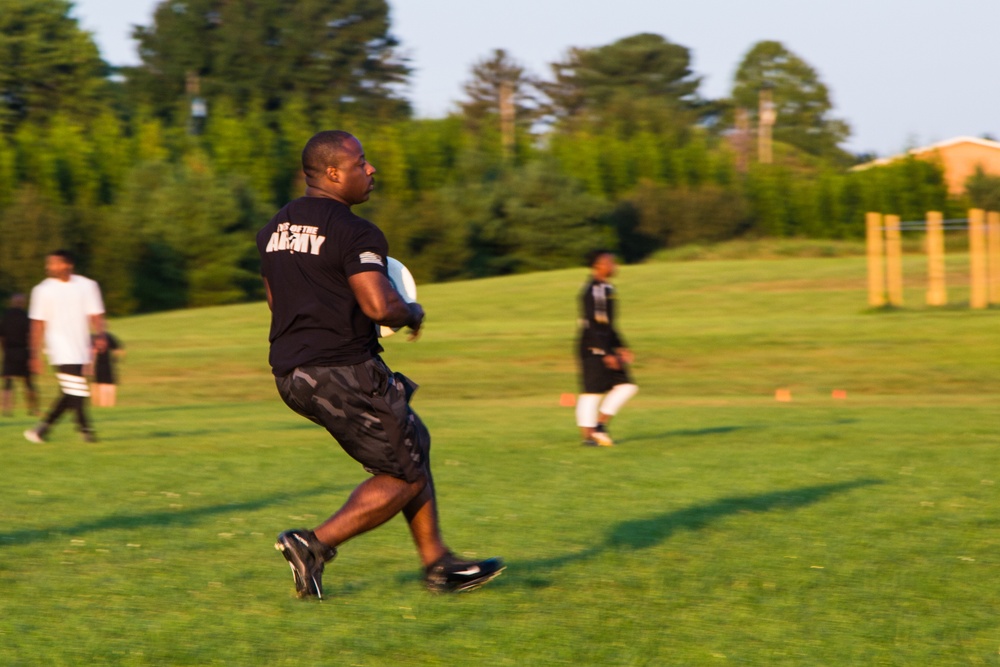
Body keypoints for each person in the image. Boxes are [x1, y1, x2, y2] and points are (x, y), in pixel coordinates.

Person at [257, 130, 504, 599]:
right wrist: (412, 312)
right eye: (360, 163)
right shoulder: (357, 231)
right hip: (344, 370)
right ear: (332, 173)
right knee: (404, 476)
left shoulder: (275, 228)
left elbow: (276, 300)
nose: (370, 170)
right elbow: (379, 305)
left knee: (414, 439)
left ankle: (438, 563)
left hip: (292, 373)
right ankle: (313, 544)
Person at [23, 250, 107, 443]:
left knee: (71, 391)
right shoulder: (42, 290)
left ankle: (41, 430)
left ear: (68, 265)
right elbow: (37, 323)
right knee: (77, 389)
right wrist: (34, 355)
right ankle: (86, 430)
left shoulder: (87, 286)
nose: (48, 267)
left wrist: (101, 335)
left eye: (53, 263)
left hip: (82, 347)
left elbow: (96, 314)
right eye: (48, 263)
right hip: (58, 347)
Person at [576, 249, 639, 447]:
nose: (614, 266)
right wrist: (605, 352)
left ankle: (599, 426)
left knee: (627, 386)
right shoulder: (593, 290)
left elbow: (609, 325)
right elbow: (593, 325)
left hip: (606, 345)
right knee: (592, 393)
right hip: (591, 347)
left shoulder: (608, 289)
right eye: (611, 262)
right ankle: (588, 438)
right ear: (598, 265)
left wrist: (621, 347)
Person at [1, 293, 39, 417]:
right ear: (23, 303)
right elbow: (31, 336)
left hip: (10, 351)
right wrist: (33, 354)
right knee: (28, 382)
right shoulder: (26, 317)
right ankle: (33, 408)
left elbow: (2, 336)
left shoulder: (6, 317)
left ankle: (6, 410)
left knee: (8, 382)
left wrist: (4, 349)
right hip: (23, 351)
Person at [91, 332, 124, 407]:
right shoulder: (106, 336)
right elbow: (118, 349)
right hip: (101, 365)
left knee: (102, 384)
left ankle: (104, 405)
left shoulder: (107, 337)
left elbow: (117, 349)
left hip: (106, 365)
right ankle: (103, 405)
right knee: (100, 385)